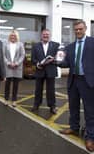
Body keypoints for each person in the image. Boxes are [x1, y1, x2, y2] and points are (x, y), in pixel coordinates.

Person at [58, 20, 94, 152]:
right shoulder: (70, 47)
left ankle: (91, 137)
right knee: (73, 107)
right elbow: (66, 63)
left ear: (85, 29)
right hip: (73, 80)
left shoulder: (92, 42)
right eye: (76, 29)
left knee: (90, 110)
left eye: (80, 29)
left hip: (88, 81)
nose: (78, 31)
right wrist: (58, 61)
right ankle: (74, 128)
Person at [31, 29, 59, 114]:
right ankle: (36, 104)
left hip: (51, 71)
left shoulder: (56, 45)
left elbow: (59, 57)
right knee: (38, 89)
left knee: (51, 90)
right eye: (44, 34)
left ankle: (52, 106)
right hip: (40, 70)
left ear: (49, 35)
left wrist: (54, 60)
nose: (45, 36)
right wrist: (37, 64)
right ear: (41, 35)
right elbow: (33, 59)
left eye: (47, 34)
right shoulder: (36, 46)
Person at [3, 30, 25, 107]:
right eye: (11, 35)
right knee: (7, 85)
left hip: (17, 67)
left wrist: (17, 63)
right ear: (9, 36)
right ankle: (6, 99)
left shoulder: (20, 44)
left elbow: (22, 55)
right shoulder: (5, 44)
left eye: (14, 35)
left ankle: (14, 100)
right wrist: (8, 63)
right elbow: (3, 55)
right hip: (8, 67)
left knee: (16, 85)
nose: (13, 37)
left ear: (17, 37)